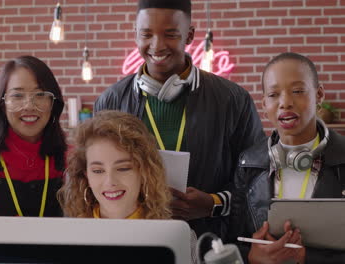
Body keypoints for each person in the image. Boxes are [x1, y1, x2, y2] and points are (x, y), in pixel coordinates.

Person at [94, 0, 264, 237]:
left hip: (212, 242)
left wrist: (214, 203)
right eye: (147, 34)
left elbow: (259, 180)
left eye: (170, 34)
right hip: (135, 240)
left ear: (190, 35)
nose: (157, 45)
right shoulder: (110, 101)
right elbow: (95, 177)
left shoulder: (233, 99)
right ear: (136, 35)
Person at [229, 52, 345, 263]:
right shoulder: (248, 163)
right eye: (273, 95)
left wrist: (307, 258)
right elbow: (233, 239)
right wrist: (251, 257)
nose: (285, 103)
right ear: (264, 104)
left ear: (319, 95)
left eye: (298, 91)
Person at [57, 110, 197, 262]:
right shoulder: (70, 236)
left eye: (123, 168)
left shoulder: (176, 237)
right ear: (86, 175)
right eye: (98, 171)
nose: (110, 181)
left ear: (144, 171)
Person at [0, 56, 67, 217]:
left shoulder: (72, 162)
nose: (29, 106)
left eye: (40, 95)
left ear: (53, 103)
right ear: (2, 105)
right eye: (17, 96)